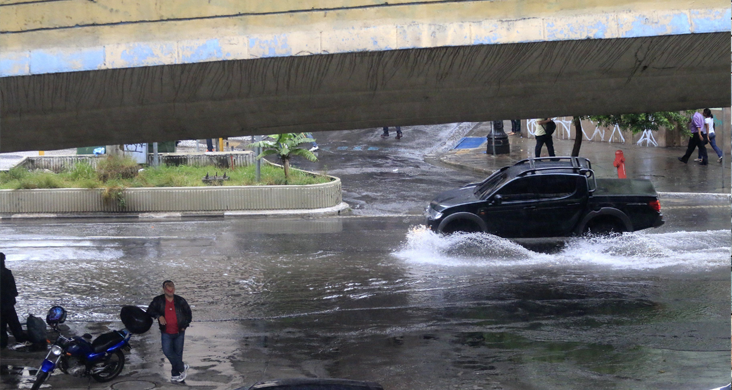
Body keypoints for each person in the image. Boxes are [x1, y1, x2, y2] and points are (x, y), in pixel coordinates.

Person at [147, 280, 192, 383]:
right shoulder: (158, 301)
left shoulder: (180, 301)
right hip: (166, 332)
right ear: (164, 290)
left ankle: (176, 376)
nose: (171, 292)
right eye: (168, 289)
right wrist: (159, 316)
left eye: (172, 289)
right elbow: (150, 311)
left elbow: (188, 313)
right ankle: (181, 367)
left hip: (179, 332)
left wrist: (185, 326)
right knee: (167, 351)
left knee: (178, 354)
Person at [1, 252, 28, 349]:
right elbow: (14, 290)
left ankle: (2, 343)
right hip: (7, 303)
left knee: (1, 325)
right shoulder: (7, 273)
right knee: (14, 323)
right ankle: (20, 338)